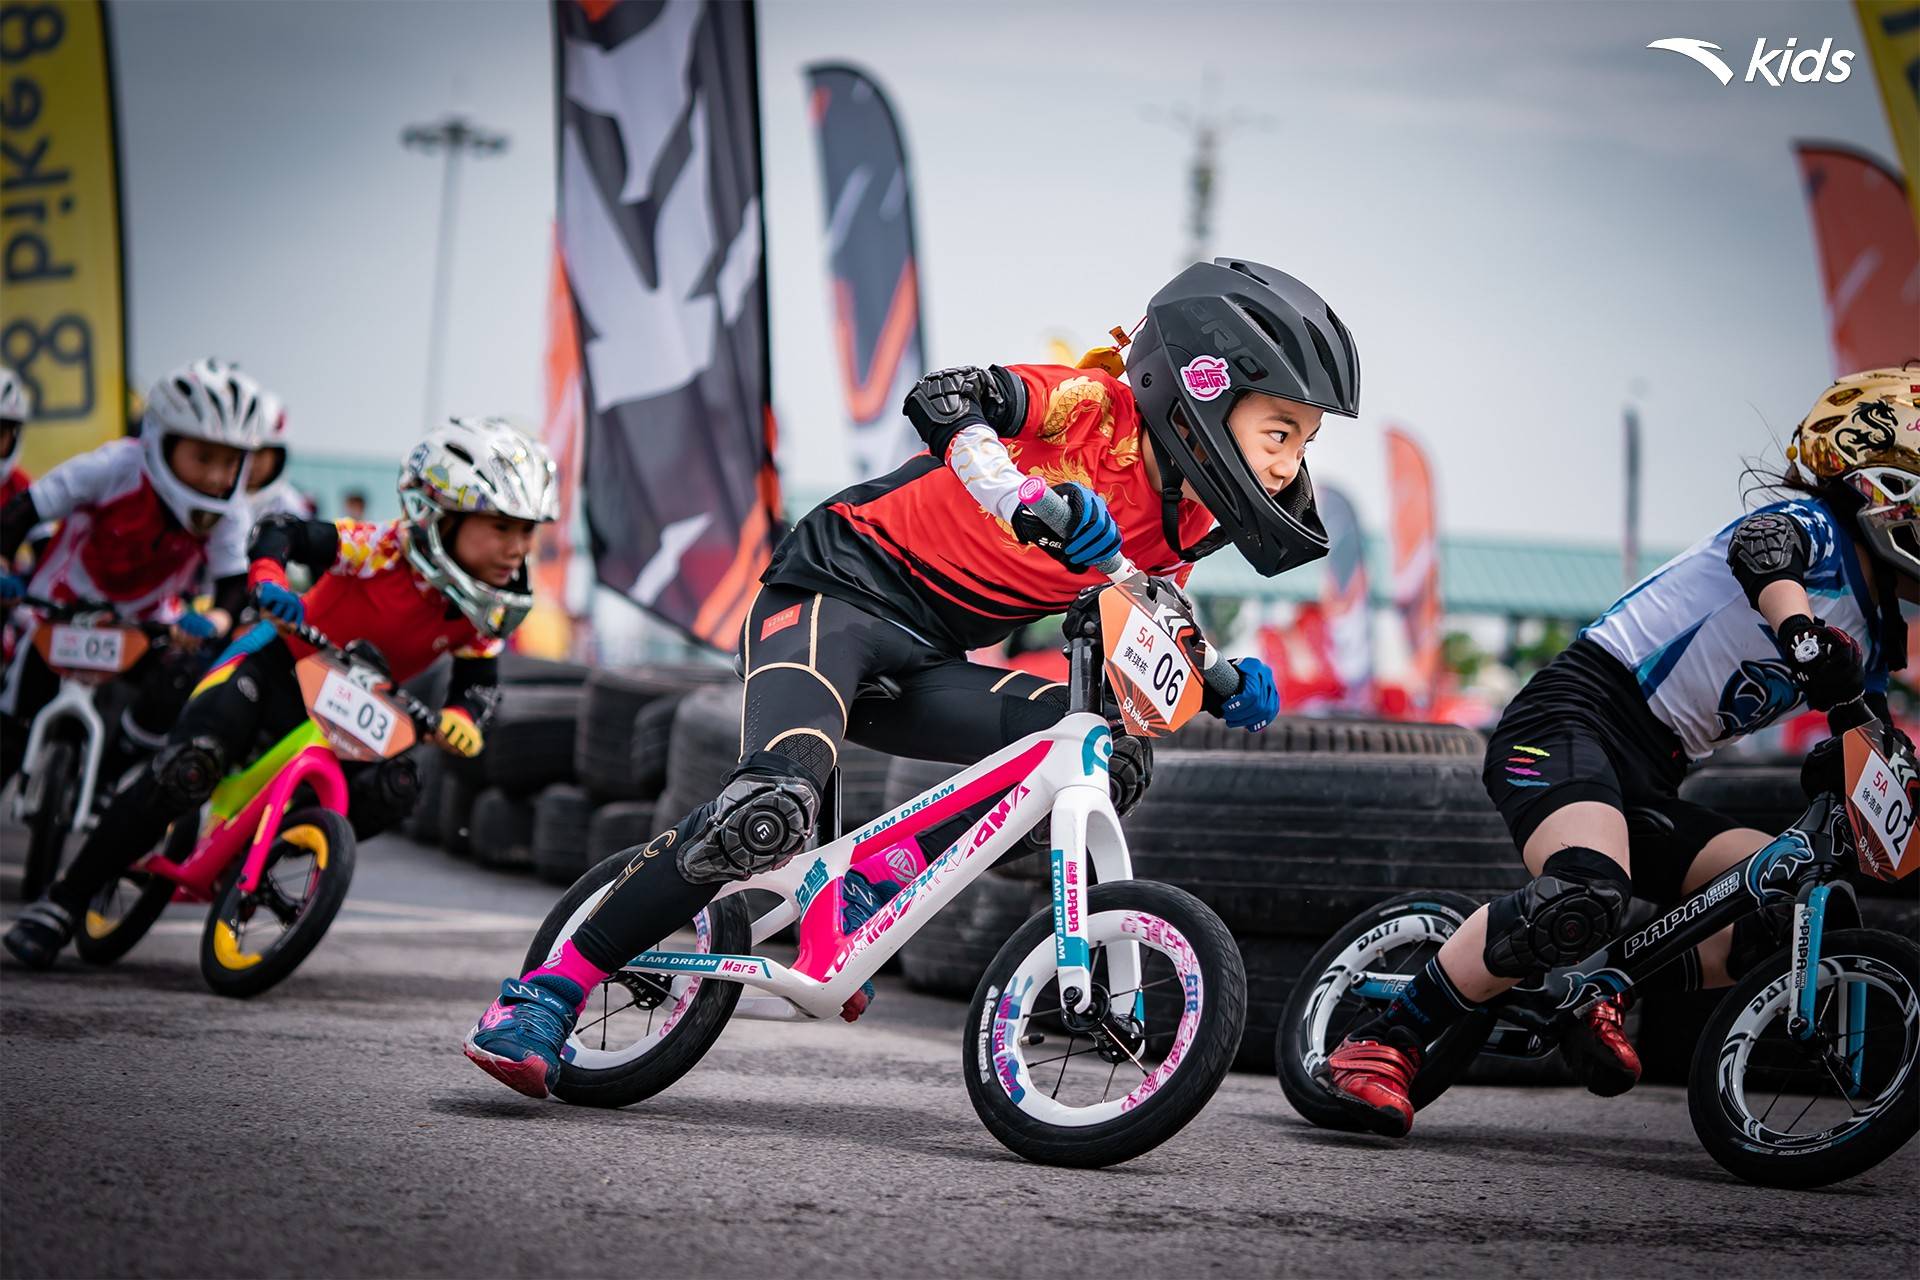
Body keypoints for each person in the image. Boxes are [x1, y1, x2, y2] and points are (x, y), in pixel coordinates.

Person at [464, 256, 1360, 1099]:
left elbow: (1141, 613)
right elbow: (945, 397)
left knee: (1102, 755)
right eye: (1279, 431)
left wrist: (1213, 673)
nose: (1289, 464)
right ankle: (543, 994)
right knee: (768, 810)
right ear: (1202, 390)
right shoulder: (1091, 406)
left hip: (929, 658)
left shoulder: (1186, 522)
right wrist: (1023, 497)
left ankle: (862, 898)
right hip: (830, 600)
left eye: (1303, 441)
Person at [1319, 365, 1920, 1138]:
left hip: (1653, 773)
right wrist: (1802, 633)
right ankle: (1381, 1040)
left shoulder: (1875, 633)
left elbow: (1857, 730)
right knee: (1584, 893)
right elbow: (1762, 556)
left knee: (1783, 905)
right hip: (1575, 717)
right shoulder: (1811, 527)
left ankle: (1603, 989)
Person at [2, 416, 560, 967]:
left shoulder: (489, 610)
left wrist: (463, 717)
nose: (517, 548)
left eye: (527, 531)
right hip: (275, 673)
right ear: (440, 515)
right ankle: (62, 902)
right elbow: (283, 532)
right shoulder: (380, 548)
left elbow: (478, 684)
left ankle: (268, 853)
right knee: (189, 768)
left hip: (359, 708)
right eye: (502, 527)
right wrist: (268, 579)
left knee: (400, 785)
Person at [0, 358, 275, 796]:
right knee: (13, 719)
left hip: (145, 621)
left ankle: (111, 778)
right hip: (62, 604)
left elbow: (232, 585)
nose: (216, 477)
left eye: (230, 462)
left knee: (179, 680)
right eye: (202, 456)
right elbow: (24, 511)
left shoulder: (230, 513)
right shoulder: (113, 466)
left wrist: (213, 623)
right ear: (161, 441)